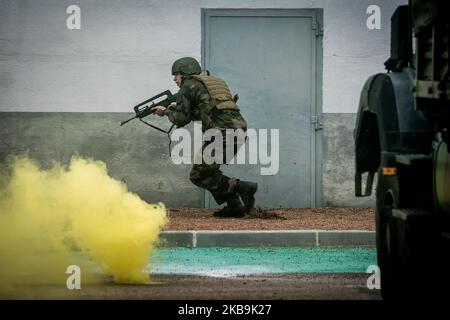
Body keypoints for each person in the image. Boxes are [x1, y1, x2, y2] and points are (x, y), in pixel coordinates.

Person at [152, 57, 257, 217]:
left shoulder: (187, 86)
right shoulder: (211, 82)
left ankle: (241, 187)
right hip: (239, 130)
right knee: (210, 172)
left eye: (176, 75)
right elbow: (205, 111)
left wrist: (165, 112)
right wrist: (176, 107)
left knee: (198, 175)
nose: (174, 79)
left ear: (184, 73)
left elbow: (181, 119)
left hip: (221, 132)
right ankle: (234, 206)